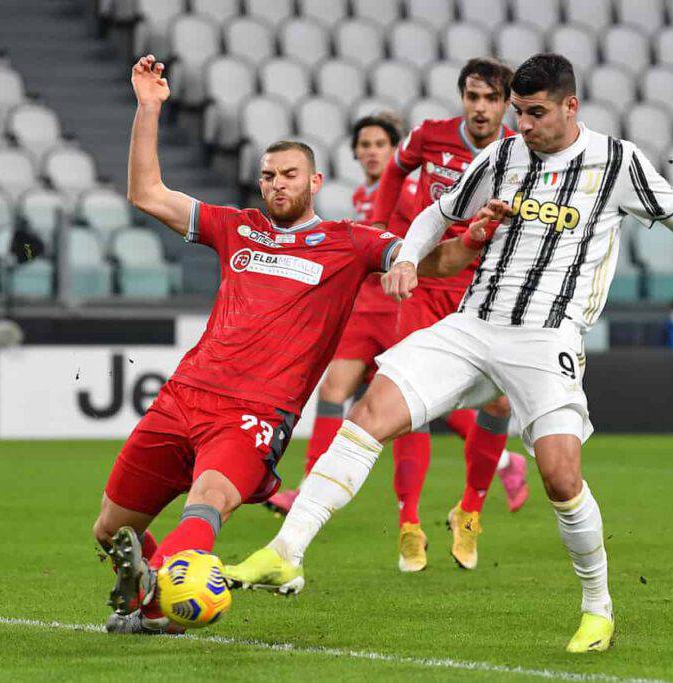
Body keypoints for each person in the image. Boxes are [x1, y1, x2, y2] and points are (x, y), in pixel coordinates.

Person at [224, 53, 673, 653]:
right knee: (368, 414)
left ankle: (598, 608)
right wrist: (412, 259)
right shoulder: (501, 155)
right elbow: (437, 213)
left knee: (560, 475)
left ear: (571, 106)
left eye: (537, 113)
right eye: (518, 113)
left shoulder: (617, 162)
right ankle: (286, 553)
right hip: (473, 324)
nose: (524, 125)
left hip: (547, 339)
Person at [93, 54, 502, 635]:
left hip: (254, 413)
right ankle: (158, 599)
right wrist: (149, 108)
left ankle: (163, 594)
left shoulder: (347, 242)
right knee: (111, 532)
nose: (276, 184)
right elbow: (147, 192)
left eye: (288, 175)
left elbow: (431, 259)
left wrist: (470, 241)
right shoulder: (234, 227)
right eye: (267, 176)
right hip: (182, 396)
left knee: (207, 501)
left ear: (313, 182)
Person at [369, 57, 529, 573]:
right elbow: (394, 172)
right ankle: (409, 524)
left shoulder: (522, 154)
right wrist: (380, 232)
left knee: (500, 405)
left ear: (506, 104)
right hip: (429, 279)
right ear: (462, 98)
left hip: (484, 288)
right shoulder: (430, 136)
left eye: (491, 99)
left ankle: (470, 513)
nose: (480, 108)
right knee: (406, 397)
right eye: (472, 97)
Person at [264, 113, 417, 515]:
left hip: (399, 309)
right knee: (334, 391)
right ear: (354, 152)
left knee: (417, 407)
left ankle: (503, 463)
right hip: (364, 309)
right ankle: (310, 487)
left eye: (380, 144)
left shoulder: (406, 191)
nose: (371, 152)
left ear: (395, 151)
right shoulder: (363, 195)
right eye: (364, 145)